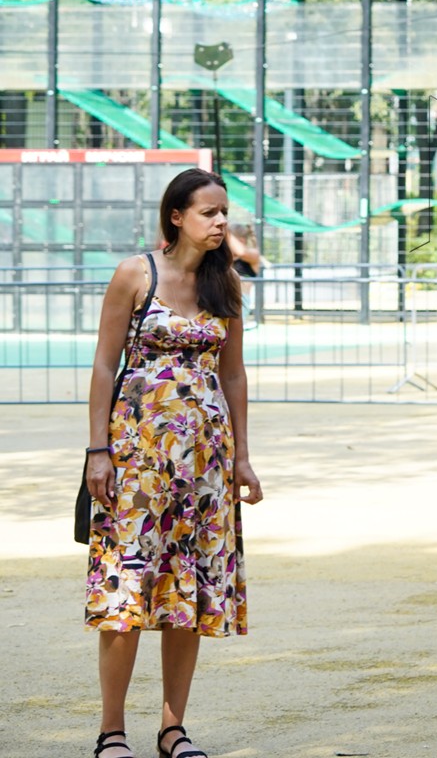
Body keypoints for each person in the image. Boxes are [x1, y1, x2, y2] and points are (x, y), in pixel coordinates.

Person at [84, 168, 263, 758]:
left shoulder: (225, 283)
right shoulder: (136, 273)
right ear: (177, 217)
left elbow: (232, 374)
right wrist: (97, 452)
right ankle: (112, 732)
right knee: (126, 587)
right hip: (136, 458)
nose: (220, 222)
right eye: (209, 212)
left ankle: (172, 729)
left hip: (205, 465)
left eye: (224, 212)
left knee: (188, 587)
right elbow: (105, 365)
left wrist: (242, 458)